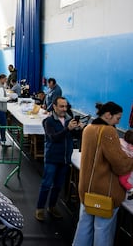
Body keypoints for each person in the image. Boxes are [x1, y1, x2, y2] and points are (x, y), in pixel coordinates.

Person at [72, 102, 133, 246]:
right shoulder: (108, 131)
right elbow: (120, 165)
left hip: (86, 188)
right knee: (103, 231)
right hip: (104, 191)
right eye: (117, 118)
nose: (118, 122)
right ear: (108, 115)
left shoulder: (88, 128)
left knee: (84, 227)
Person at [35, 97, 82, 221]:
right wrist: (68, 129)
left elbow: (75, 136)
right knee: (46, 184)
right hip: (52, 158)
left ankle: (52, 206)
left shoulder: (69, 121)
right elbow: (53, 138)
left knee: (58, 185)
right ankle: (40, 208)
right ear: (54, 106)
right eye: (61, 106)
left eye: (65, 106)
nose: (64, 109)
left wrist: (80, 129)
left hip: (65, 159)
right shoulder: (48, 121)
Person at [118, 130, 133, 199]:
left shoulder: (120, 141)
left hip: (127, 168)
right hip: (126, 167)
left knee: (122, 181)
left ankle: (131, 189)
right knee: (122, 180)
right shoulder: (121, 142)